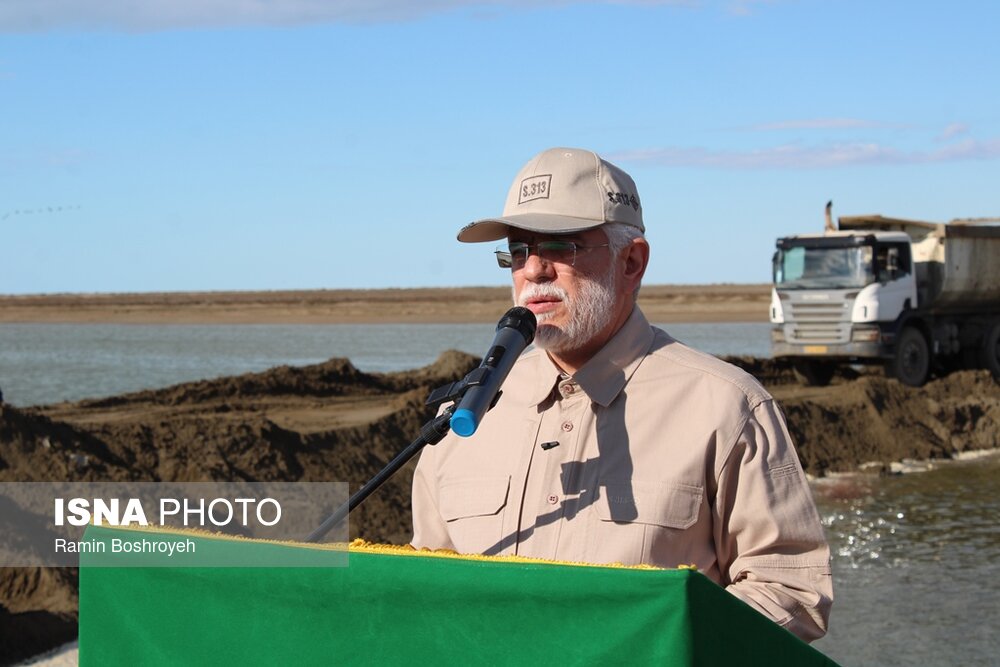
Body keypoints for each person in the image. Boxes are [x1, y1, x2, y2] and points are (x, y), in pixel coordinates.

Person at [410, 147, 832, 642]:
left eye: (560, 248)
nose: (533, 271)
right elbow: (426, 589)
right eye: (519, 251)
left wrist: (647, 646)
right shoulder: (463, 417)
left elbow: (791, 591)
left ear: (631, 262)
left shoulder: (726, 406)